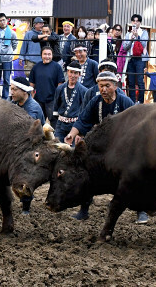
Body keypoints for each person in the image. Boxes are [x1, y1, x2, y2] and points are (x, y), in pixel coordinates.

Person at [64, 71, 147, 223]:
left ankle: (141, 211)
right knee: (87, 173)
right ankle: (84, 210)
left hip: (124, 150)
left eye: (107, 86)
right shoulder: (96, 101)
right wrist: (71, 134)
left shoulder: (125, 102)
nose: (103, 89)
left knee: (133, 177)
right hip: (102, 149)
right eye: (101, 86)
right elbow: (83, 120)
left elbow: (138, 126)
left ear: (115, 86)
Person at [9, 76, 45, 215]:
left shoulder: (33, 108)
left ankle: (26, 207)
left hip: (30, 147)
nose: (11, 92)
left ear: (24, 92)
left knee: (25, 177)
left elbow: (26, 133)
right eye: (11, 89)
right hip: (16, 145)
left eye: (14, 89)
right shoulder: (12, 102)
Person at [52, 61, 87, 142]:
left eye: (75, 73)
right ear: (67, 72)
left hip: (75, 125)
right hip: (60, 124)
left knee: (73, 150)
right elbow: (56, 107)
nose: (73, 75)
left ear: (79, 74)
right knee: (57, 147)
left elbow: (85, 111)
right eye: (71, 72)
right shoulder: (60, 88)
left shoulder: (84, 91)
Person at [29, 46, 65, 126]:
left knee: (54, 122)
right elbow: (31, 84)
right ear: (41, 55)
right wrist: (31, 98)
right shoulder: (36, 67)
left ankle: (55, 138)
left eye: (49, 54)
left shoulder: (57, 67)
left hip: (52, 100)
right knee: (37, 122)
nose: (47, 56)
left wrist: (58, 99)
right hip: (38, 100)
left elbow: (60, 84)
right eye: (45, 54)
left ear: (52, 55)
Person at [122, 14, 149, 104]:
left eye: (137, 21)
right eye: (134, 21)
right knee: (131, 81)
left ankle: (141, 101)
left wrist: (138, 37)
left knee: (140, 80)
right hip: (130, 58)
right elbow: (125, 47)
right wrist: (131, 40)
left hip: (140, 58)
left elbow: (144, 44)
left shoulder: (144, 32)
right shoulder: (128, 34)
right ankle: (132, 102)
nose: (135, 22)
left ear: (140, 22)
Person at [0, 13, 18, 99]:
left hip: (7, 58)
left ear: (7, 20)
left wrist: (10, 52)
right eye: (0, 21)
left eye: (3, 20)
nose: (2, 22)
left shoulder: (12, 32)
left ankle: (5, 97)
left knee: (6, 79)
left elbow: (15, 44)